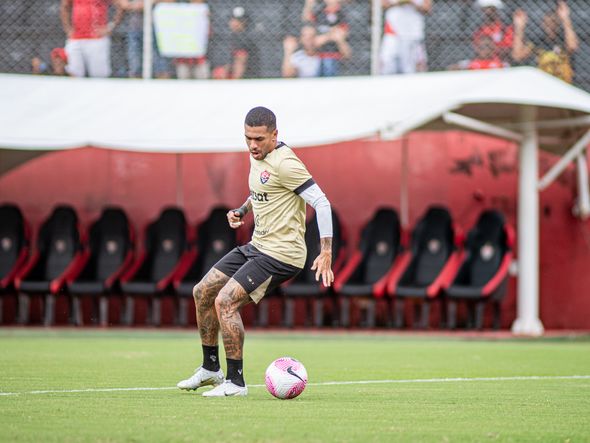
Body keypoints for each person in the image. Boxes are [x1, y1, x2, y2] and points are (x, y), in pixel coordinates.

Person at [177, 107, 334, 397]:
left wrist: (325, 251)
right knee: (203, 292)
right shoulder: (258, 156)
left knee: (225, 302)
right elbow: (264, 189)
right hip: (257, 245)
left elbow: (321, 203)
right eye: (248, 138)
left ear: (275, 135)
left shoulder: (287, 163)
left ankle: (235, 383)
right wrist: (243, 209)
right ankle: (211, 369)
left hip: (283, 254)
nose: (252, 145)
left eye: (259, 139)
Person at [512, 1, 579, 84]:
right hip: (544, 85)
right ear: (543, 24)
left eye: (553, 22)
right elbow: (517, 56)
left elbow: (572, 47)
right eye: (547, 23)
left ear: (557, 24)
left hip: (564, 84)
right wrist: (519, 27)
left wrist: (565, 19)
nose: (550, 26)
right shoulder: (538, 42)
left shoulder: (563, 40)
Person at [60, 0, 124, 78]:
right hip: (76, 38)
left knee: (98, 75)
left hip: (96, 39)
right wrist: (68, 29)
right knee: (74, 73)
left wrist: (110, 27)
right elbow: (64, 7)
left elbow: (121, 5)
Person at [120, 0, 172, 79]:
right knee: (135, 64)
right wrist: (134, 5)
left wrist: (149, 3)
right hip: (134, 27)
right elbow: (123, 4)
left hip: (158, 28)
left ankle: (163, 87)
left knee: (160, 64)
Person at [379, 0, 431, 75]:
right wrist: (400, 2)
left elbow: (427, 8)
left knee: (414, 69)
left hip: (414, 34)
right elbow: (381, 5)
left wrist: (411, 3)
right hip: (393, 33)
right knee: (387, 67)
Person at [303, 0, 352, 76]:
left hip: (337, 54)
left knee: (329, 63)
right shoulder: (318, 12)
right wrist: (331, 34)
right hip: (318, 55)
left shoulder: (344, 13)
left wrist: (324, 37)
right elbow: (314, 40)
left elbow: (341, 36)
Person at [212, 6, 259, 79]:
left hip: (247, 76)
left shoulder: (245, 37)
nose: (234, 23)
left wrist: (234, 81)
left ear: (245, 22)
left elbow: (240, 60)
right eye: (233, 20)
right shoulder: (233, 36)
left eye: (239, 21)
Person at [174, 0, 211, 80]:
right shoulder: (181, 11)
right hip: (182, 57)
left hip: (201, 58)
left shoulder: (207, 11)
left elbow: (209, 34)